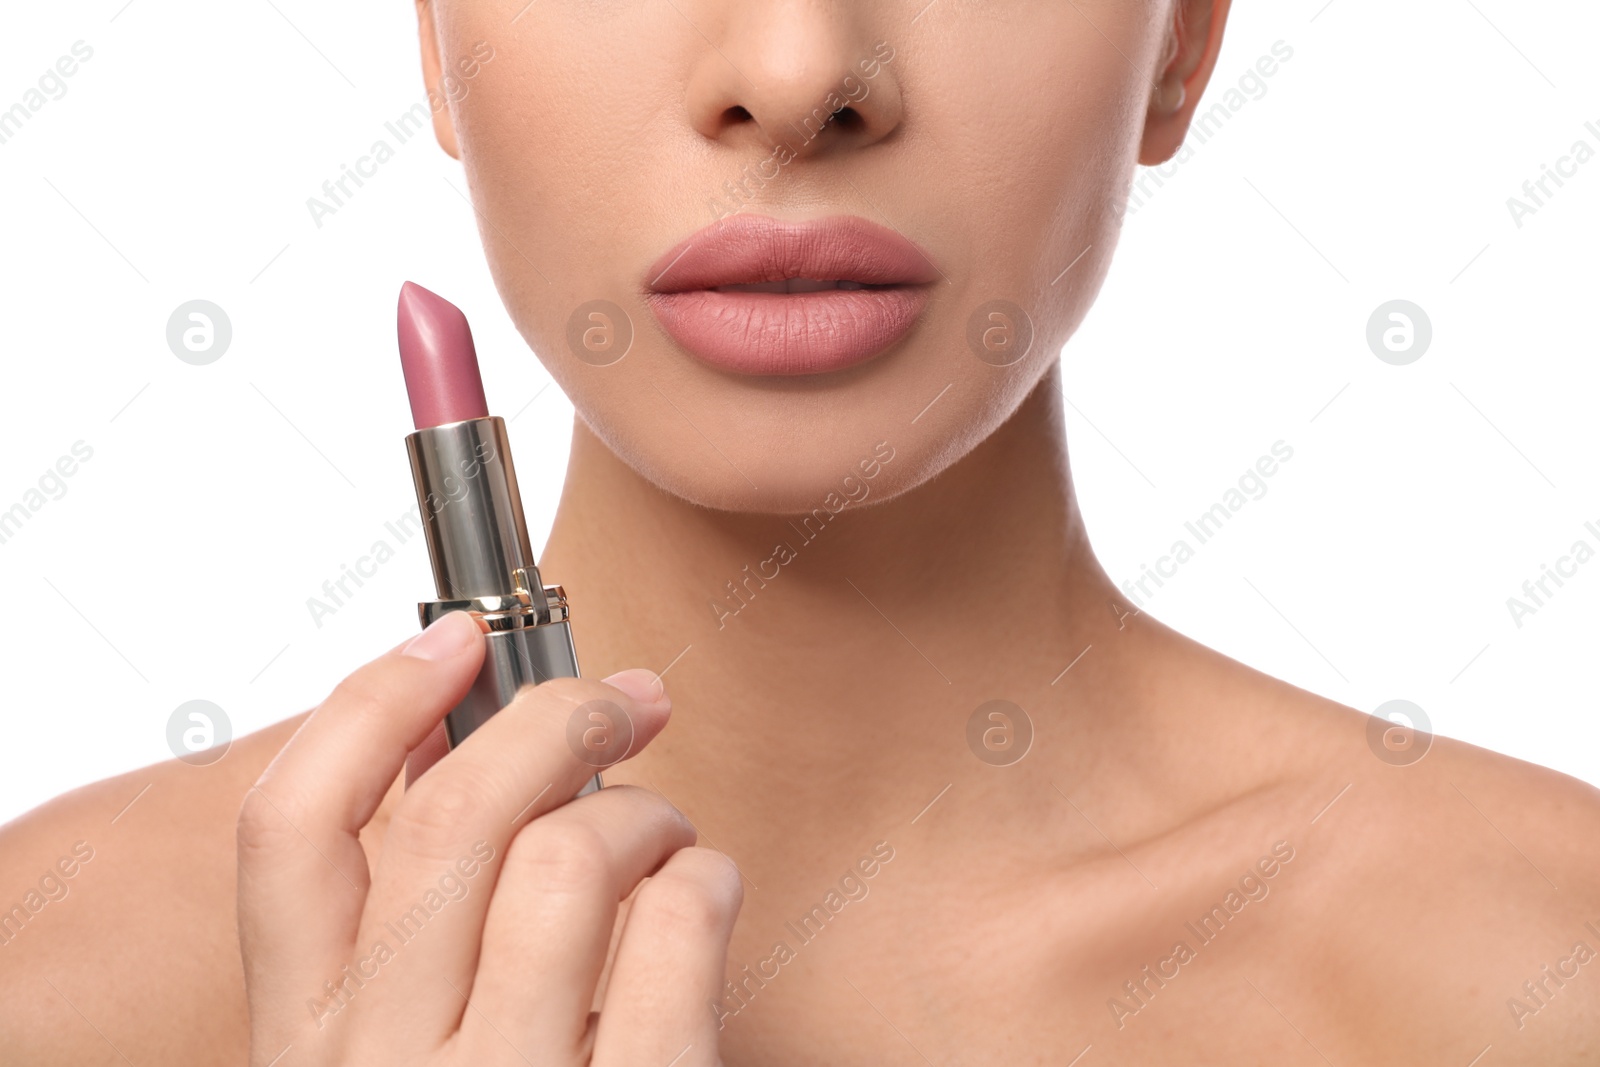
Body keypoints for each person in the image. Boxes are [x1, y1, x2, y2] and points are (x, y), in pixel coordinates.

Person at [4, 0, 1598, 1062]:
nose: (792, 69)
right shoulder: (51, 983)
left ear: (1181, 42)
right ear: (439, 39)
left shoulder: (1541, 969)